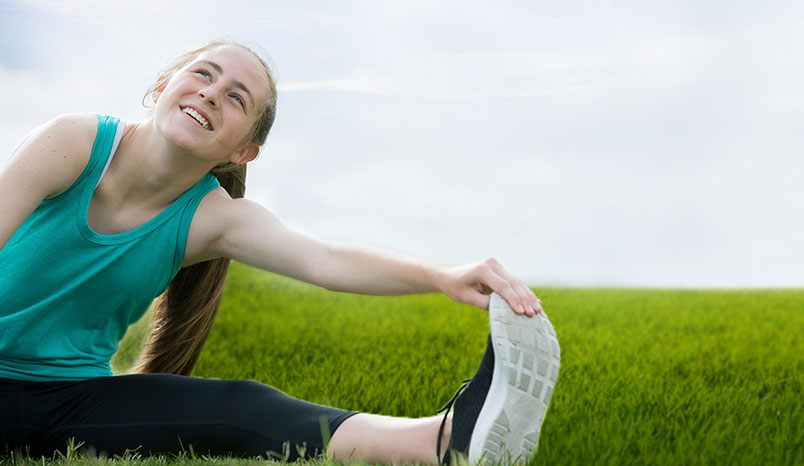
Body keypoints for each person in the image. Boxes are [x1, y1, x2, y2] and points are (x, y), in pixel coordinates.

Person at [0, 39, 560, 465]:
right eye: (203, 74)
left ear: (244, 150)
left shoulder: (213, 218)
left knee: (239, 404)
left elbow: (327, 260)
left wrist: (442, 274)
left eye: (236, 98)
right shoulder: (73, 142)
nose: (212, 93)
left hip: (68, 398)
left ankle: (442, 440)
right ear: (163, 85)